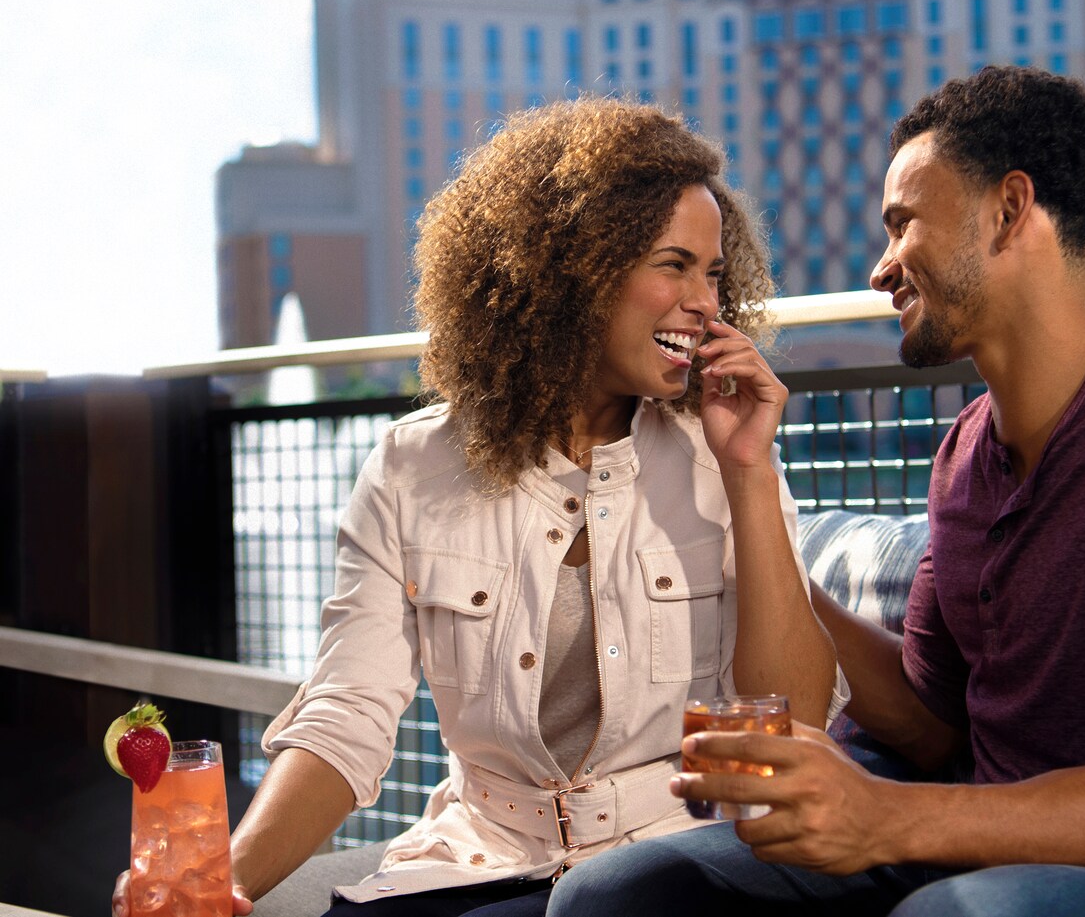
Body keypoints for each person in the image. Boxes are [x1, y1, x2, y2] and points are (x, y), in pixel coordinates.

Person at [545, 66, 1085, 917]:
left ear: (1008, 207)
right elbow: (930, 717)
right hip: (986, 837)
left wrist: (887, 818)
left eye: (902, 223)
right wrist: (745, 545)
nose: (882, 268)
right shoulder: (965, 454)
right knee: (616, 893)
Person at [111, 98, 839, 917]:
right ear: (575, 270)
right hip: (481, 857)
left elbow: (795, 719)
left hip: (669, 860)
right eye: (674, 265)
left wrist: (748, 471)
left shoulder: (728, 451)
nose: (706, 301)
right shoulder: (410, 468)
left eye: (713, 272)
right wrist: (221, 879)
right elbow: (345, 716)